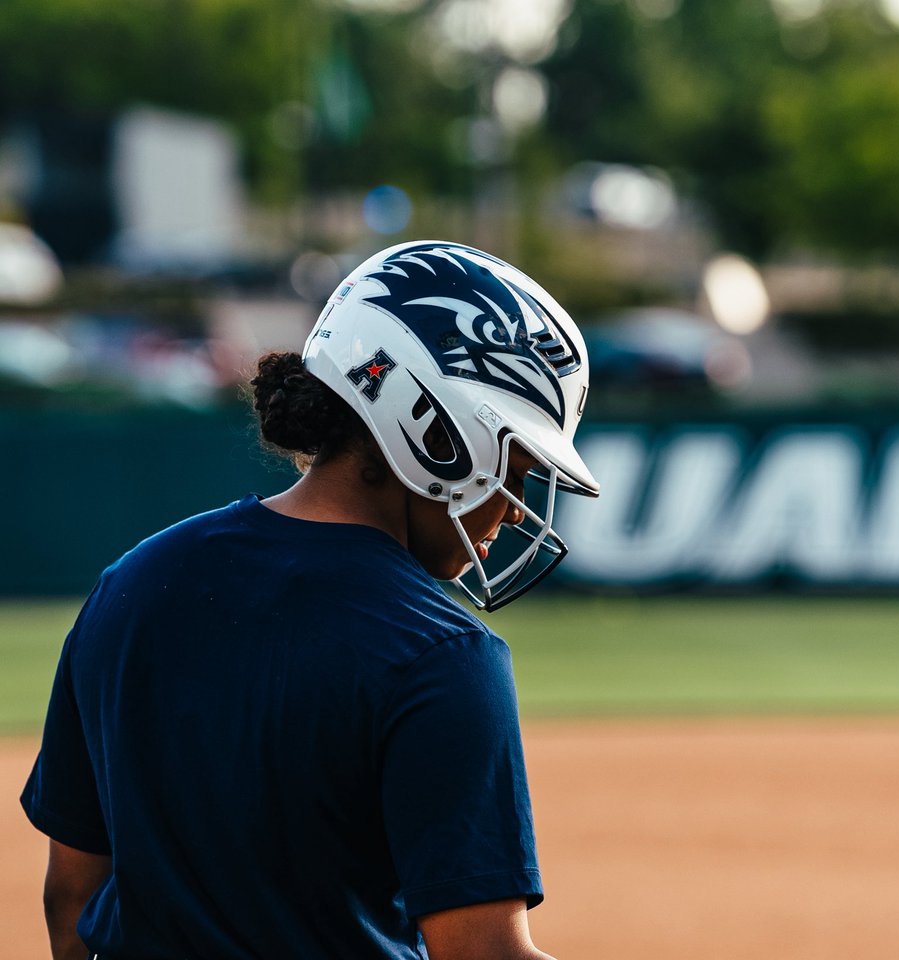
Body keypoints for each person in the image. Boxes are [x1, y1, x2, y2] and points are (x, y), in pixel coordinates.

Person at [20, 240, 600, 960]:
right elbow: (481, 952)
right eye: (515, 462)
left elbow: (71, 897)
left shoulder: (131, 584)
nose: (515, 509)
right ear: (435, 431)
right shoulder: (440, 653)